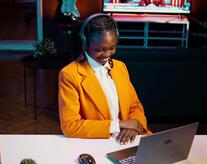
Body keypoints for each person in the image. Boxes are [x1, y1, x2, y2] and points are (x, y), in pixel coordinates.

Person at [58, 13, 150, 144]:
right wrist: (120, 125)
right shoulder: (69, 74)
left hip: (129, 139)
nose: (107, 55)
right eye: (99, 50)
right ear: (84, 44)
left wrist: (135, 127)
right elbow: (70, 126)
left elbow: (135, 106)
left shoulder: (120, 67)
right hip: (98, 143)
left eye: (112, 48)